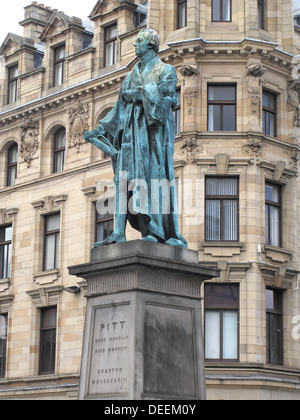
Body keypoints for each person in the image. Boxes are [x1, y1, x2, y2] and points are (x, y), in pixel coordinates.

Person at [84, 28, 187, 249]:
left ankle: (155, 230)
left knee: (150, 181)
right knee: (121, 180)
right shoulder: (130, 76)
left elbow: (167, 101)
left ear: (150, 44)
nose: (134, 45)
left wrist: (141, 94)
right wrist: (100, 130)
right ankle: (119, 232)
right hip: (130, 136)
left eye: (138, 41)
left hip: (152, 139)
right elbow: (118, 107)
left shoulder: (165, 70)